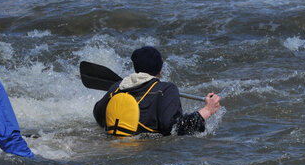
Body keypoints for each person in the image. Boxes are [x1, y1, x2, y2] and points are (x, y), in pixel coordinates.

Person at [93, 46, 221, 136]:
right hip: (143, 151)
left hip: (113, 143)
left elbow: (98, 115)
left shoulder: (117, 87)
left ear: (136, 67)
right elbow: (174, 128)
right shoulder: (167, 89)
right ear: (160, 69)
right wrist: (207, 110)